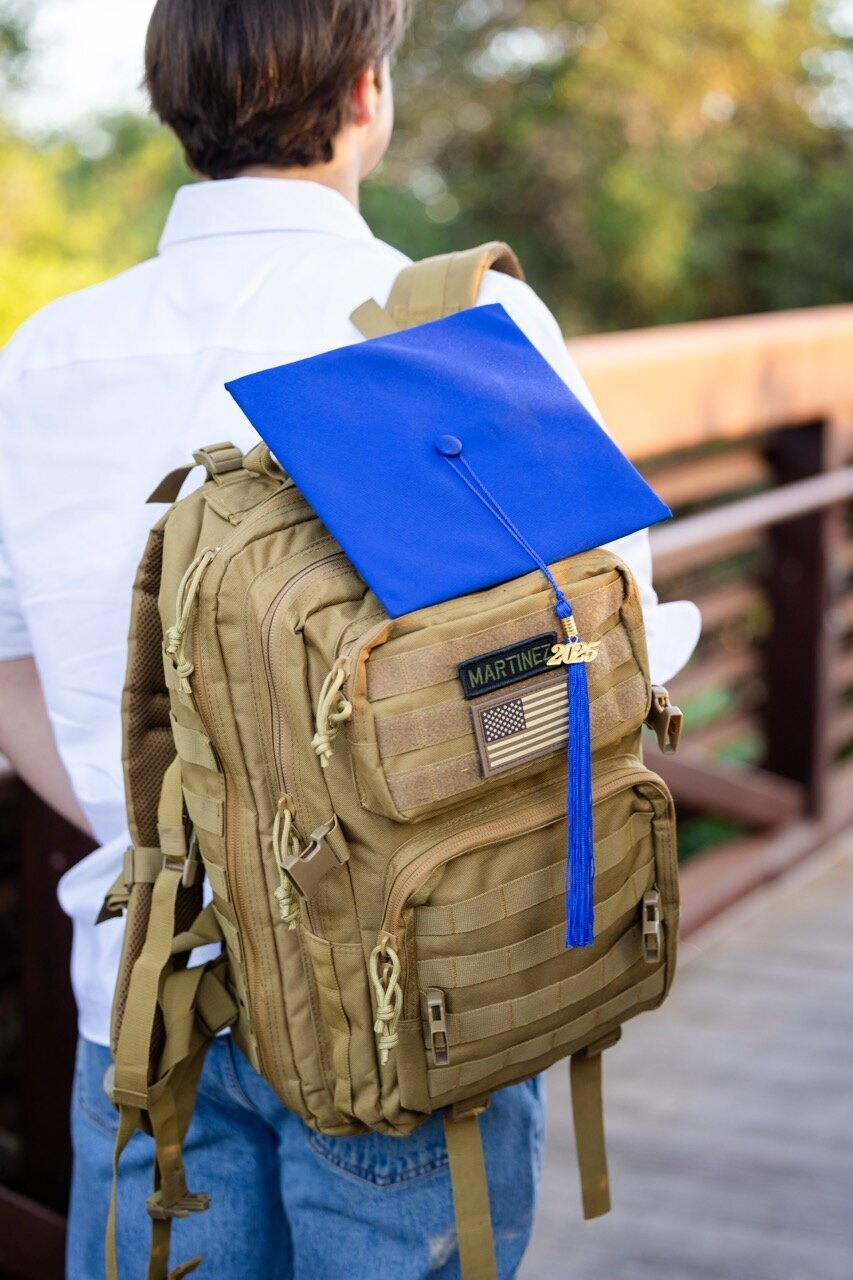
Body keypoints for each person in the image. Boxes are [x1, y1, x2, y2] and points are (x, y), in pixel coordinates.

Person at [0, 2, 700, 1276]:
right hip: (407, 996)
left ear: (172, 103)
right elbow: (610, 651)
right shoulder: (452, 330)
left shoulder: (41, 358)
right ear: (367, 92)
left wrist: (178, 823)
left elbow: (12, 679)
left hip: (139, 1002)